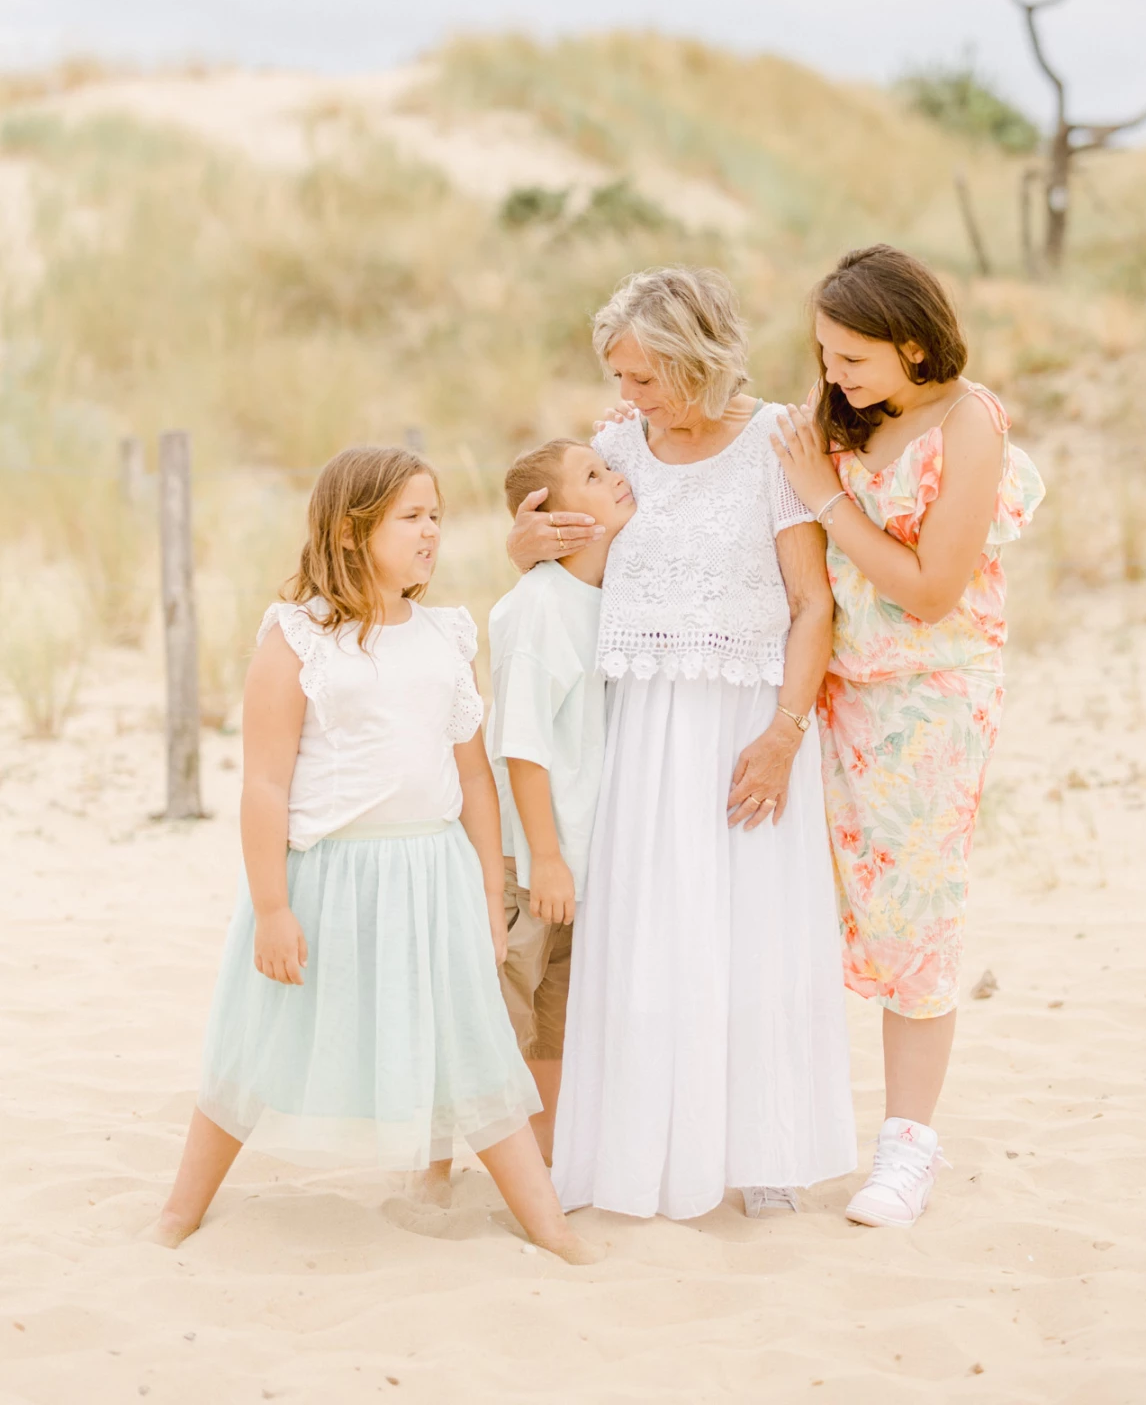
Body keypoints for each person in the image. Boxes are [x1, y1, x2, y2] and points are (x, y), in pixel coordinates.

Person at [151, 445, 599, 1264]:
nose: (431, 532)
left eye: (436, 516)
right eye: (411, 517)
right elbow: (264, 788)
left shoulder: (446, 635)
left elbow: (473, 779)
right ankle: (181, 1209)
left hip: (430, 878)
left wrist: (484, 892)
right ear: (354, 531)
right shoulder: (298, 638)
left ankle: (547, 1225)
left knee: (477, 1048)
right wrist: (274, 907)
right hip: (324, 877)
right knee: (253, 1048)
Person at [508, 268, 856, 1221]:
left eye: (641, 377)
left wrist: (785, 734)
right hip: (640, 732)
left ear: (695, 361)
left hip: (748, 725)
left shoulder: (777, 445)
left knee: (754, 937)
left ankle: (762, 1153)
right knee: (650, 939)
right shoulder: (615, 449)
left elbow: (813, 604)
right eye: (619, 377)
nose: (625, 397)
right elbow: (556, 571)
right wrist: (525, 548)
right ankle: (642, 1153)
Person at [771, 244, 1044, 1229]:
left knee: (913, 916)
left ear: (916, 347)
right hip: (836, 693)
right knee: (811, 905)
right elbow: (762, 448)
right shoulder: (837, 420)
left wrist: (829, 502)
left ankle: (908, 1147)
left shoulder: (969, 423)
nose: (833, 376)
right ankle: (784, 1128)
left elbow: (932, 590)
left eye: (854, 359)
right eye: (824, 355)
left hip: (930, 701)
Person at [489, 439, 634, 1164]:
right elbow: (523, 745)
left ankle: (542, 1158)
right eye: (595, 476)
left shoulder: (605, 600)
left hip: (578, 857)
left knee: (555, 1018)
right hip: (533, 863)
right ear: (551, 517)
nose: (618, 479)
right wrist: (544, 859)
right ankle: (437, 1163)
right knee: (500, 1011)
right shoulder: (540, 607)